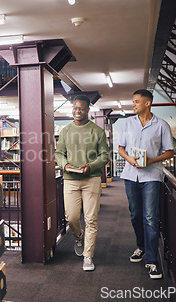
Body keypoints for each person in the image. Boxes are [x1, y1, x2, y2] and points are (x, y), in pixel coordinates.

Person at [118, 89, 174, 280]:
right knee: (136, 215)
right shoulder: (127, 123)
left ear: (147, 103)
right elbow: (120, 148)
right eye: (132, 101)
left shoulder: (162, 125)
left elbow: (169, 152)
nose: (133, 105)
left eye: (136, 102)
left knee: (150, 217)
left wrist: (151, 161)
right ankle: (141, 247)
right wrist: (129, 159)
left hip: (152, 176)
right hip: (130, 175)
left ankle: (152, 260)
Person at [55, 95, 109, 271]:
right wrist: (65, 165)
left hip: (91, 179)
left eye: (81, 109)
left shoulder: (97, 132)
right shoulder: (65, 131)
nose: (77, 111)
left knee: (91, 219)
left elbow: (104, 156)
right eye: (75, 108)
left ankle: (88, 256)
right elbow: (59, 154)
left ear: (88, 110)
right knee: (71, 217)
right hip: (70, 179)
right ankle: (79, 237)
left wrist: (91, 166)